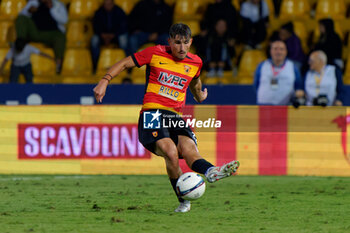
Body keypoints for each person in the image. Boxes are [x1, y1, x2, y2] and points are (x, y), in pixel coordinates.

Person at [93, 23, 240, 213]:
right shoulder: (155, 53)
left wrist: (200, 96)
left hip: (175, 116)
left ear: (190, 43)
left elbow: (195, 82)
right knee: (170, 151)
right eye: (177, 43)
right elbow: (124, 63)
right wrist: (105, 81)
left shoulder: (195, 62)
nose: (181, 47)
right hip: (152, 112)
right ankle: (184, 200)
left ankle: (211, 171)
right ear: (169, 41)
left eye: (185, 43)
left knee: (189, 149)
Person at [15, 0, 67, 73]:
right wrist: (29, 11)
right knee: (21, 19)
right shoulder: (33, 2)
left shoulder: (58, 4)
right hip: (35, 32)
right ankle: (20, 44)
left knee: (60, 37)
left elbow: (64, 20)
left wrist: (52, 8)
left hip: (51, 33)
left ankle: (58, 63)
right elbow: (22, 15)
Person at [254, 40, 304, 105]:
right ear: (271, 51)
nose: (278, 52)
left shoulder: (293, 67)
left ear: (286, 52)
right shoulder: (262, 66)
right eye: (275, 49)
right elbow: (256, 85)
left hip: (286, 107)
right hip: (264, 106)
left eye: (281, 49)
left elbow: (298, 87)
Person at [91, 0, 128, 72]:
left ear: (113, 4)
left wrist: (113, 35)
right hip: (102, 36)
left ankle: (127, 64)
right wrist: (102, 34)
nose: (108, 6)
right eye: (106, 4)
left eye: (109, 4)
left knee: (124, 40)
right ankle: (95, 64)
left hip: (116, 36)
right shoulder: (98, 12)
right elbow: (95, 26)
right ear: (103, 4)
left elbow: (123, 26)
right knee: (94, 40)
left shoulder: (119, 11)